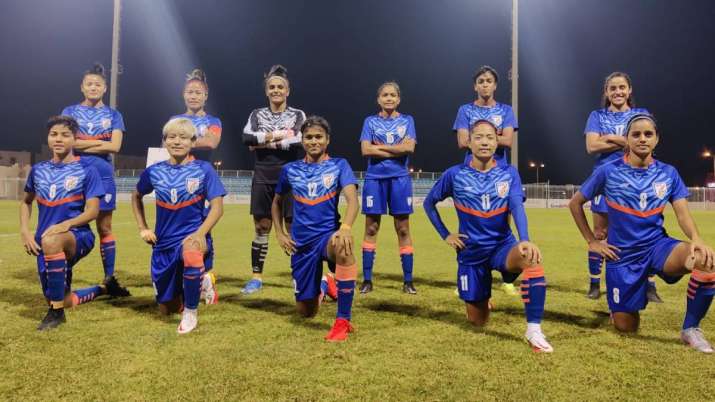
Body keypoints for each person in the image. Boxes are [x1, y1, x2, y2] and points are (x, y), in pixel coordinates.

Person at [569, 114, 715, 353]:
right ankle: (624, 306)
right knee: (627, 327)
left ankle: (691, 329)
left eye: (648, 134)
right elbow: (575, 203)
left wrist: (696, 239)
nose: (642, 139)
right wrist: (592, 241)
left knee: (706, 261)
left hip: (658, 247)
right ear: (626, 139)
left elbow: (683, 215)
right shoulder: (608, 171)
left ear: (657, 139)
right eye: (636, 134)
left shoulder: (668, 173)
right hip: (622, 256)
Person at [424, 119, 553, 353]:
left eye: (490, 137)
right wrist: (446, 235)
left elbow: (516, 206)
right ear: (469, 142)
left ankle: (533, 330)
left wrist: (524, 239)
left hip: (502, 247)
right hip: (471, 253)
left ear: (497, 142)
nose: (485, 142)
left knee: (530, 257)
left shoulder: (509, 173)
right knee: (478, 321)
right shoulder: (454, 174)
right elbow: (429, 203)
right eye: (479, 137)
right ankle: (482, 295)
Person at [20, 116, 125, 330]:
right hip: (46, 242)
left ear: (74, 139)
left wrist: (65, 225)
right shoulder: (39, 170)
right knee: (59, 296)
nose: (59, 139)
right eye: (54, 134)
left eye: (65, 135)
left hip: (78, 236)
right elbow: (26, 202)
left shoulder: (87, 170)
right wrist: (25, 231)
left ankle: (56, 314)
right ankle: (104, 288)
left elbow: (93, 211)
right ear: (48, 138)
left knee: (51, 241)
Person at [131, 118, 226, 334]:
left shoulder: (204, 169)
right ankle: (201, 283)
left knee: (192, 252)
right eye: (171, 137)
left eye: (183, 137)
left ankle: (191, 313)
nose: (177, 141)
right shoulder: (154, 172)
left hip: (192, 237)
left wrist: (201, 234)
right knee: (167, 309)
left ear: (193, 142)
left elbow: (217, 208)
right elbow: (136, 195)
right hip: (163, 244)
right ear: (164, 141)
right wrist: (143, 228)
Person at [272, 116, 359, 342]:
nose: (314, 141)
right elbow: (277, 202)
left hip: (327, 237)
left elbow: (352, 200)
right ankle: (324, 284)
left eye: (318, 137)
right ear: (302, 141)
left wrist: (346, 228)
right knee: (306, 312)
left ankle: (342, 321)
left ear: (327, 140)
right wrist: (280, 233)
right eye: (309, 137)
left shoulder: (339, 165)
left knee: (344, 246)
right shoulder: (290, 169)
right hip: (301, 244)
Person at [582, 72, 662, 302]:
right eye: (612, 88)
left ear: (629, 90)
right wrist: (625, 141)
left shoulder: (641, 114)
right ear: (606, 92)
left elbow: (643, 144)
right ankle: (595, 283)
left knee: (645, 234)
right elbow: (591, 146)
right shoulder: (596, 115)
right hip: (605, 180)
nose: (617, 92)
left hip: (639, 180)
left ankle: (650, 285)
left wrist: (612, 138)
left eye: (621, 87)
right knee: (600, 233)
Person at [60, 63, 130, 296]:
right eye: (89, 84)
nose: (93, 87)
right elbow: (68, 142)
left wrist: (83, 143)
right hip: (75, 173)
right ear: (82, 87)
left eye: (97, 84)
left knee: (105, 226)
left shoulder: (113, 114)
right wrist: (100, 143)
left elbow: (116, 146)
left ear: (105, 88)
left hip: (103, 174)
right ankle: (62, 272)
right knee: (72, 222)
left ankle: (109, 279)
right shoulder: (69, 111)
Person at [452, 65, 519, 296]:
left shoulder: (506, 110)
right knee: (469, 220)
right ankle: (468, 271)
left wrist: (480, 138)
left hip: (499, 170)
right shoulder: (465, 110)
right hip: (472, 171)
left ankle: (505, 276)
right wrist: (492, 138)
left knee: (503, 219)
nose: (485, 84)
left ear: (495, 85)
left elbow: (509, 140)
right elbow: (462, 142)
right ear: (475, 85)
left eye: (489, 80)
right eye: (481, 81)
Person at [242, 64, 306, 294]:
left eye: (280, 87)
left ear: (287, 91)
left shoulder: (298, 115)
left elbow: (300, 141)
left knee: (292, 226)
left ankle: (297, 275)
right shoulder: (256, 114)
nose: (276, 90)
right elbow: (246, 138)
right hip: (262, 173)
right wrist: (279, 135)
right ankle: (256, 277)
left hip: (290, 174)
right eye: (272, 87)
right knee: (262, 225)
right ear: (266, 91)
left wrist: (261, 142)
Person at [169, 68, 222, 304]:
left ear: (205, 95)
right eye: (189, 92)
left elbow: (211, 142)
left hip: (203, 178)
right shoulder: (174, 120)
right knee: (179, 226)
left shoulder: (213, 121)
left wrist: (183, 141)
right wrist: (182, 142)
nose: (193, 96)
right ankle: (185, 274)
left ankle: (206, 277)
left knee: (205, 227)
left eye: (198, 92)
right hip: (179, 180)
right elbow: (167, 143)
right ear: (183, 94)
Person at [359, 82, 417, 294]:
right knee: (371, 228)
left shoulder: (407, 120)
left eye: (393, 95)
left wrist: (379, 147)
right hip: (375, 178)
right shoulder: (370, 121)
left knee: (403, 228)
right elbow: (365, 150)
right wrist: (396, 150)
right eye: (385, 95)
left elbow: (409, 147)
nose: (389, 98)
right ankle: (367, 280)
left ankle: (408, 281)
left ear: (398, 99)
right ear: (379, 99)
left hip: (400, 179)